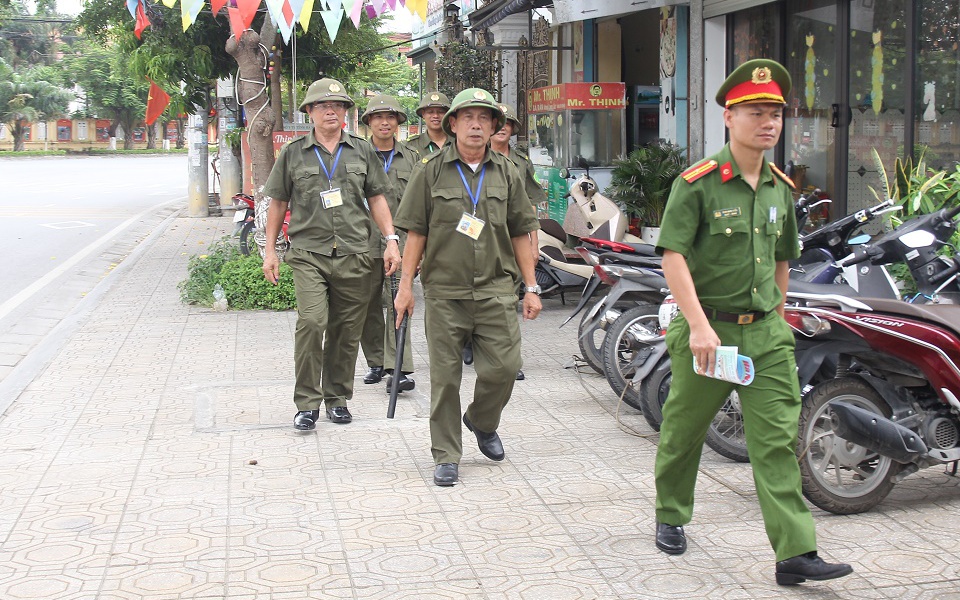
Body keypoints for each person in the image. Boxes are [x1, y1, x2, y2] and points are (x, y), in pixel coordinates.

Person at [652, 59, 852, 586]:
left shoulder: (780, 187)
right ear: (728, 117)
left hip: (765, 334)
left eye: (775, 114)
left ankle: (795, 553)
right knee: (685, 430)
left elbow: (784, 258)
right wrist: (696, 325)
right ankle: (671, 512)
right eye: (755, 112)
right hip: (709, 332)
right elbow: (672, 255)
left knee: (777, 440)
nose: (768, 123)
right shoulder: (697, 184)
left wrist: (780, 319)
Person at [393, 88, 541, 487]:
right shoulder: (431, 170)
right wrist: (405, 287)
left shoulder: (508, 171)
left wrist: (532, 287)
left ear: (495, 126)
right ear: (453, 124)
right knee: (445, 378)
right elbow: (416, 232)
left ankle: (480, 420)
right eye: (468, 117)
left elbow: (522, 231)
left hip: (496, 290)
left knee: (505, 368)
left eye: (484, 118)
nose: (476, 124)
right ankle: (446, 454)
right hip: (444, 292)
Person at [261, 78, 401, 431]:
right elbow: (278, 203)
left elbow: (377, 198)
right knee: (312, 322)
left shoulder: (361, 150)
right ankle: (307, 402)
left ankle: (336, 398)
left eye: (338, 106)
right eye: (323, 106)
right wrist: (270, 251)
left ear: (345, 113)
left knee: (345, 329)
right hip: (310, 253)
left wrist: (391, 240)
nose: (331, 111)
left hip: (355, 252)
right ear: (309, 112)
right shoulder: (293, 153)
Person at [358, 94, 418, 392]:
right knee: (366, 303)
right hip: (361, 239)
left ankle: (400, 368)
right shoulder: (355, 155)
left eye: (391, 117)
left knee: (399, 301)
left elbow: (422, 203)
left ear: (398, 123)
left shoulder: (412, 158)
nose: (385, 122)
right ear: (368, 121)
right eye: (378, 117)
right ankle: (377, 361)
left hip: (403, 241)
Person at [487, 102, 546, 380]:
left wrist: (534, 244)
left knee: (508, 299)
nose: (504, 129)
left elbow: (530, 208)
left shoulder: (521, 162)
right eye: (501, 123)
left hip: (514, 239)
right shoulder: (475, 159)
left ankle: (510, 359)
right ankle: (470, 342)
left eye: (509, 125)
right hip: (483, 239)